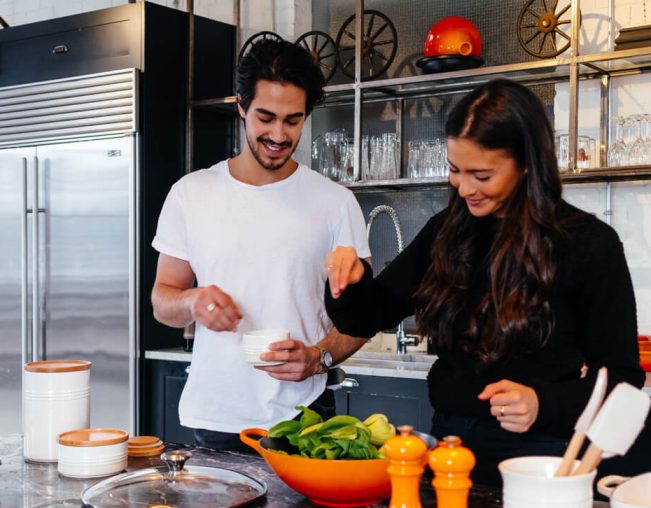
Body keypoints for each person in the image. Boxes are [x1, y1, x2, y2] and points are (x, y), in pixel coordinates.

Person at [324, 78, 645, 485]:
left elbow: (621, 381)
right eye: (455, 170)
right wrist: (349, 280)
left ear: (527, 163)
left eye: (481, 174)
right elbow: (368, 314)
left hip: (542, 457)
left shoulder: (588, 245)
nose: (465, 188)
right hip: (451, 452)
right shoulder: (446, 232)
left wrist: (542, 402)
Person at [151, 38, 369, 451]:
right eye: (265, 117)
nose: (278, 134)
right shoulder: (191, 193)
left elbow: (364, 314)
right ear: (241, 106)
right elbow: (163, 301)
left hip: (303, 418)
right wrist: (193, 302)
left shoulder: (335, 202)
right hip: (215, 417)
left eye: (293, 120)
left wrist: (318, 357)